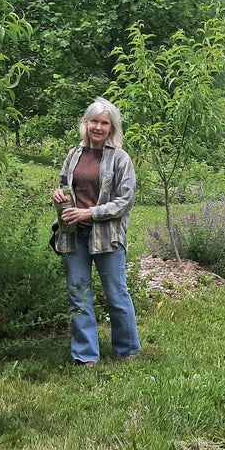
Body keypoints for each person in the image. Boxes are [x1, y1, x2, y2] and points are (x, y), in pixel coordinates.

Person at [50, 98, 140, 366]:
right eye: (94, 121)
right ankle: (86, 355)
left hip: (107, 236)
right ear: (85, 123)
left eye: (104, 123)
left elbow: (124, 202)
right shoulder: (74, 154)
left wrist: (89, 213)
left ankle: (127, 349)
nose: (98, 127)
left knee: (116, 294)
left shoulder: (121, 159)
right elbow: (64, 185)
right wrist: (59, 195)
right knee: (79, 294)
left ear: (112, 128)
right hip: (74, 234)